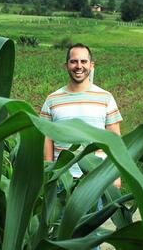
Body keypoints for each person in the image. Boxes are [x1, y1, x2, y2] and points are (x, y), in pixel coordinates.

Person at [40, 43, 122, 187]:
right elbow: (47, 139)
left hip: (97, 180)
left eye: (83, 61)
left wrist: (115, 177)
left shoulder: (106, 98)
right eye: (74, 61)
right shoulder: (52, 100)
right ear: (66, 66)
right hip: (62, 179)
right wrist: (50, 172)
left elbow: (115, 142)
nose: (79, 66)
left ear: (91, 65)